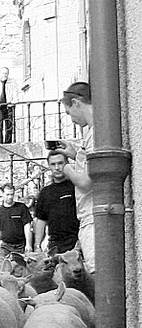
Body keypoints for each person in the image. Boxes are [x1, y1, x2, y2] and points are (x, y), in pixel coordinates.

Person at [57, 81, 94, 273]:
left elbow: (87, 181)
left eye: (69, 113)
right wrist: (75, 154)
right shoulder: (93, 131)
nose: (71, 120)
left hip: (93, 214)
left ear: (76, 103)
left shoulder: (95, 132)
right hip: (93, 212)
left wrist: (67, 169)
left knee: (98, 276)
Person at [32, 148, 79, 254]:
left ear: (67, 164)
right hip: (55, 245)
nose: (57, 168)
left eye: (60, 163)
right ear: (49, 166)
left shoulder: (76, 186)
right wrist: (37, 245)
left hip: (76, 243)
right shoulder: (45, 192)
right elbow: (41, 220)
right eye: (53, 164)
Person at [0, 183, 33, 258]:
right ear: (3, 194)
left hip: (20, 246)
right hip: (5, 246)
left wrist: (28, 244)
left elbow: (27, 226)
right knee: (0, 265)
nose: (10, 197)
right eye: (7, 194)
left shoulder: (21, 208)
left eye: (12, 194)